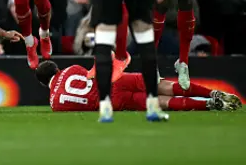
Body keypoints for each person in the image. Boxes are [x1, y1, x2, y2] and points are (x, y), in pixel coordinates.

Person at [36, 61, 242, 112]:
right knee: (163, 86)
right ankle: (213, 93)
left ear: (43, 83)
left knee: (160, 102)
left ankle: (208, 106)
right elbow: (92, 75)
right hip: (116, 81)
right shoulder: (71, 69)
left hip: (112, 102)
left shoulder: (55, 104)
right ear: (56, 68)